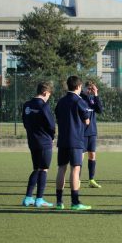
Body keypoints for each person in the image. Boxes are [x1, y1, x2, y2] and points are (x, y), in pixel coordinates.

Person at [54, 75, 91, 210]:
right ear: (78, 87)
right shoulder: (79, 101)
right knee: (75, 169)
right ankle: (75, 202)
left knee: (61, 169)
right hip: (76, 140)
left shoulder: (61, 101)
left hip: (63, 140)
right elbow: (86, 120)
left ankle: (59, 202)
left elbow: (58, 117)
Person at [21, 81, 56, 208]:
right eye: (48, 95)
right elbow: (51, 125)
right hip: (44, 141)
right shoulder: (43, 106)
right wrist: (52, 136)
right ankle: (39, 199)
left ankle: (28, 197)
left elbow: (24, 122)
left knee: (36, 168)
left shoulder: (26, 105)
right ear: (45, 92)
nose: (48, 98)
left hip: (32, 141)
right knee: (43, 169)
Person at [80, 80, 103, 188]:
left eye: (91, 89)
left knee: (92, 155)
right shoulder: (79, 98)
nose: (90, 91)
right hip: (82, 132)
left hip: (92, 132)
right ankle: (77, 178)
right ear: (83, 88)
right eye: (88, 88)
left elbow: (100, 110)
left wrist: (96, 94)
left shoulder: (93, 98)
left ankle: (91, 179)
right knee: (81, 156)